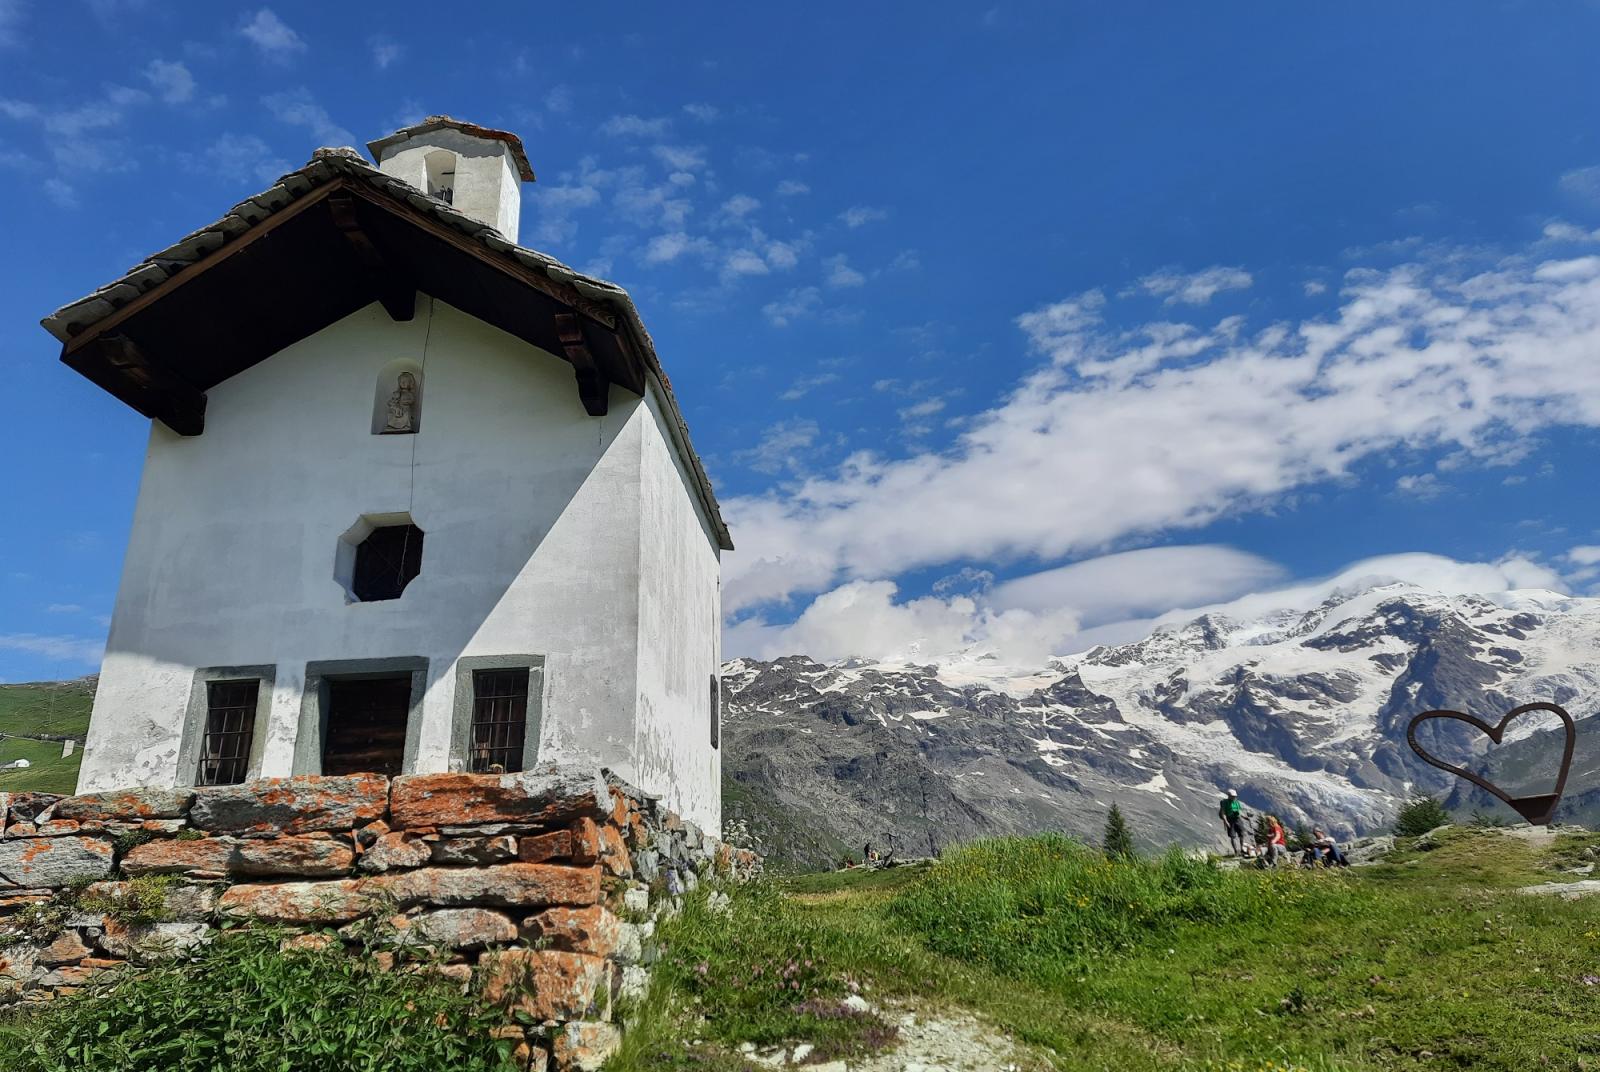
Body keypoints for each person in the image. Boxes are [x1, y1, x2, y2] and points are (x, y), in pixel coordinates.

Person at [1218, 789, 1247, 856]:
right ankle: (1236, 851)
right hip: (1230, 820)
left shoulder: (1236, 802)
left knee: (1242, 834)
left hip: (1238, 819)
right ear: (1229, 796)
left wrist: (1244, 817)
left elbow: (1239, 811)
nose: (1234, 797)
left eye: (1235, 796)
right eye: (1233, 796)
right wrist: (1226, 821)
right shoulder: (1224, 802)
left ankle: (1242, 849)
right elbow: (1223, 813)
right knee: (1232, 836)